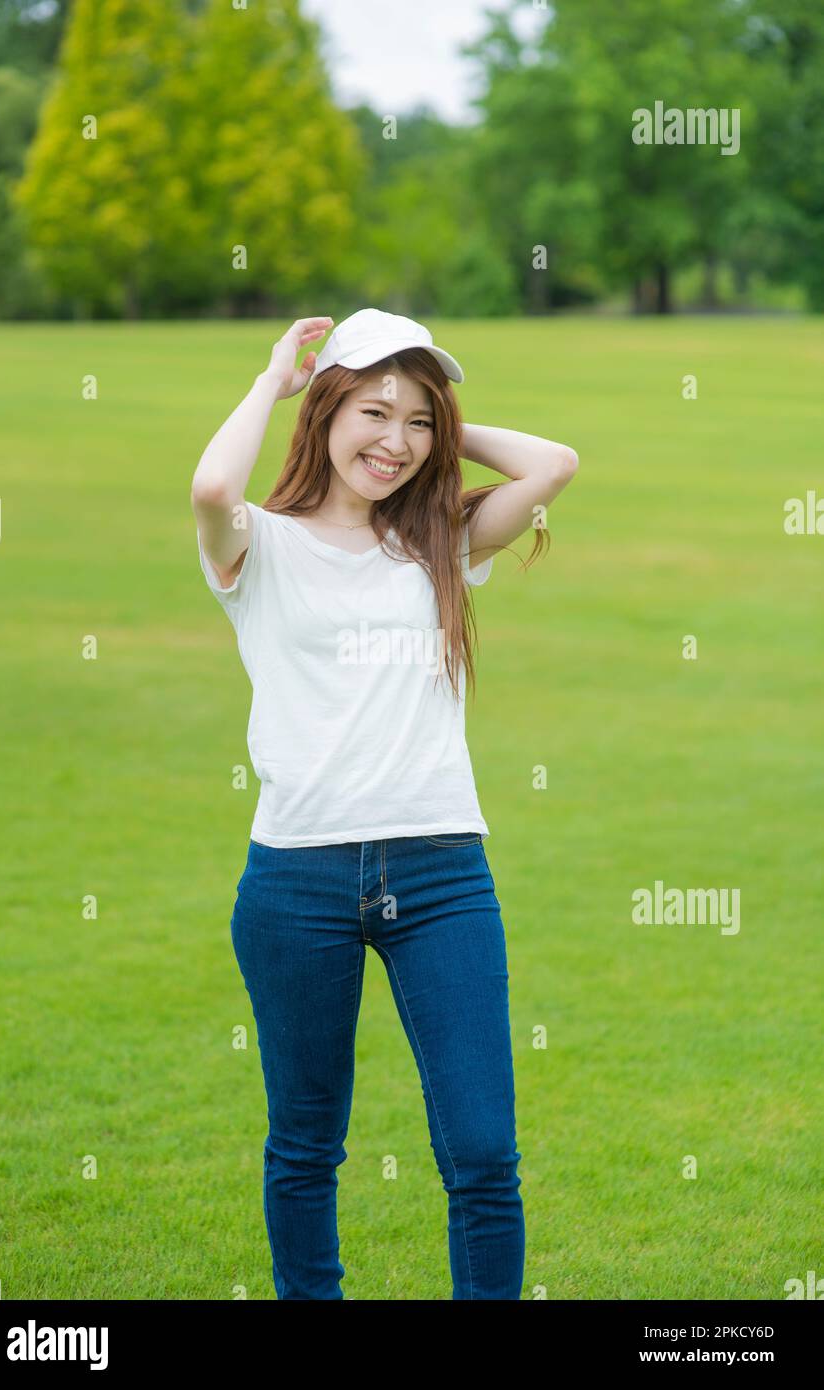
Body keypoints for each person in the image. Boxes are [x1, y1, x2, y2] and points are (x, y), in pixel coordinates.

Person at [190, 308, 579, 1300]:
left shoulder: (438, 539)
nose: (394, 443)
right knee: (307, 1146)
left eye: (417, 423)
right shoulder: (257, 546)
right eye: (372, 411)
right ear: (323, 411)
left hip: (443, 873)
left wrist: (447, 421)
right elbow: (211, 485)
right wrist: (273, 373)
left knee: (484, 1150)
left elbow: (555, 464)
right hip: (297, 881)